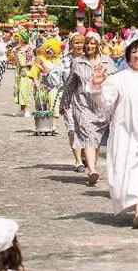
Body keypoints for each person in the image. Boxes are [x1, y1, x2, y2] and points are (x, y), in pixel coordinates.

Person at [90, 39, 138, 229]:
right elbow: (104, 102)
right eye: (133, 52)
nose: (137, 55)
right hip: (126, 132)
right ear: (128, 57)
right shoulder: (118, 79)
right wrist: (96, 85)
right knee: (132, 169)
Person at [60, 31, 118, 186]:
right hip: (82, 104)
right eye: (87, 43)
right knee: (87, 135)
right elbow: (70, 85)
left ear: (98, 45)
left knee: (96, 138)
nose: (89, 46)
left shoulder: (107, 62)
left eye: (93, 43)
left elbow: (117, 83)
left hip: (101, 106)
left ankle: (93, 166)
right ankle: (92, 170)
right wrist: (64, 104)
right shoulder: (78, 62)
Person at [60, 33, 86, 172]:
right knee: (72, 129)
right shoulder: (65, 60)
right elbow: (63, 79)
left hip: (86, 100)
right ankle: (78, 161)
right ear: (71, 45)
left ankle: (84, 155)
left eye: (81, 42)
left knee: (84, 129)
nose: (79, 45)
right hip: (69, 99)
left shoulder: (89, 59)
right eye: (76, 42)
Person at [28, 38, 62, 131]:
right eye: (47, 48)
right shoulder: (40, 59)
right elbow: (33, 73)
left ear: (55, 50)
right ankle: (41, 125)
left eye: (51, 49)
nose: (49, 51)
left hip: (54, 87)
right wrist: (36, 84)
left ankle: (53, 125)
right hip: (41, 87)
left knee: (54, 105)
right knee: (41, 106)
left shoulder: (59, 61)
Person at [12, 31, 35, 117]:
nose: (17, 39)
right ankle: (22, 109)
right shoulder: (18, 48)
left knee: (26, 89)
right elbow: (12, 53)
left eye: (18, 37)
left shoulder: (29, 48)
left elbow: (32, 60)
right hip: (19, 71)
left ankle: (27, 110)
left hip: (26, 70)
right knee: (19, 89)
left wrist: (24, 64)